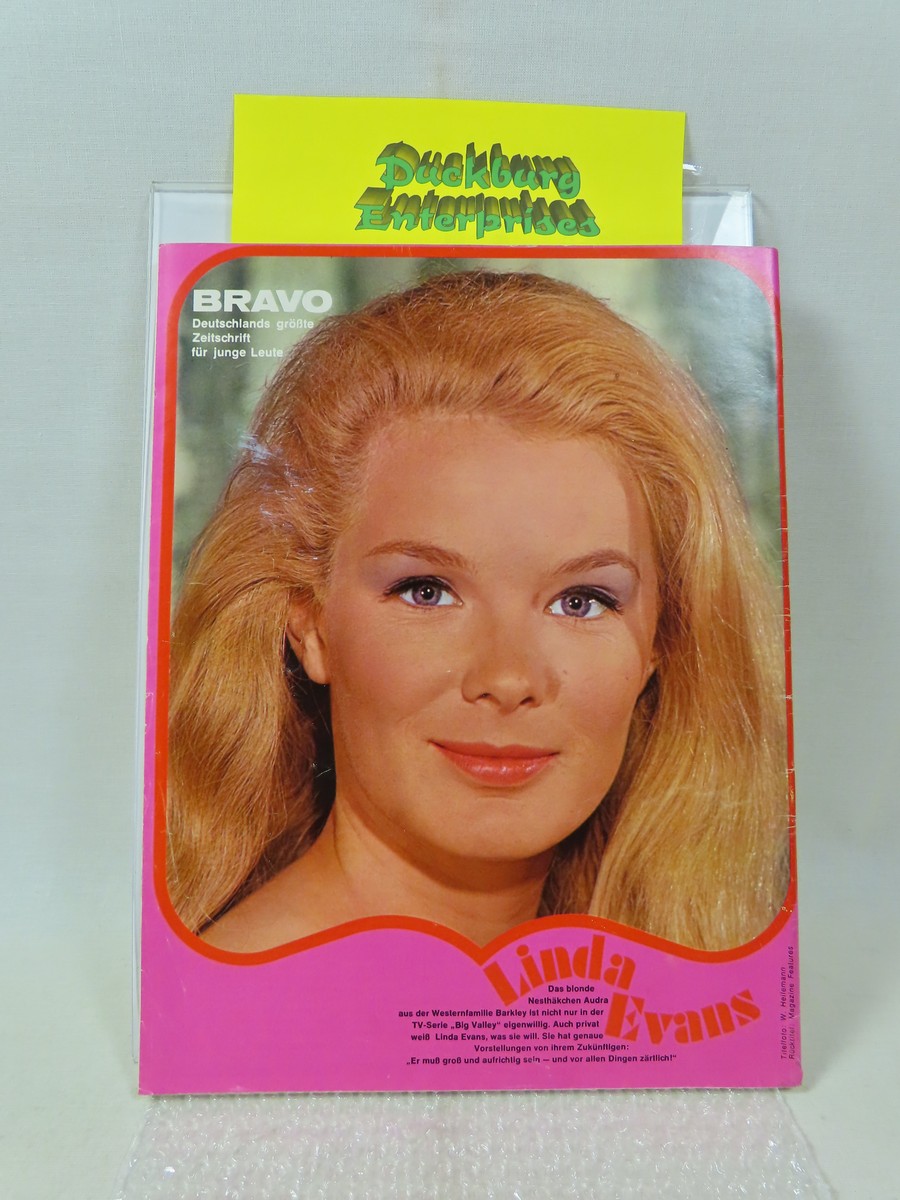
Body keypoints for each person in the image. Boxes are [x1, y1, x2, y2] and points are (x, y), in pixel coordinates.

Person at [166, 269, 788, 953]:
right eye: (426, 590)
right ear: (310, 624)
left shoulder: (668, 970)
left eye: (581, 601)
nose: (509, 677)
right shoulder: (249, 993)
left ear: (662, 641)